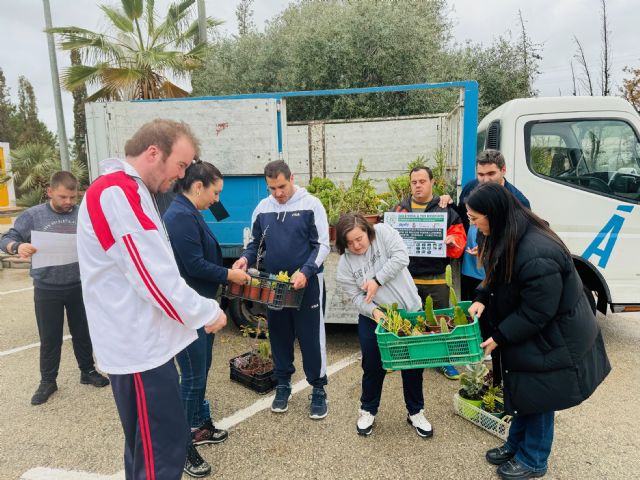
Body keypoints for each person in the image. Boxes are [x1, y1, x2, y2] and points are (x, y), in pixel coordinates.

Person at [76, 119, 228, 480]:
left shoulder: (130, 190)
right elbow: (152, 277)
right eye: (181, 164)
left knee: (152, 449)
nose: (183, 175)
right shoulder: (117, 192)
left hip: (144, 346)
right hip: (138, 349)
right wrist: (206, 311)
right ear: (153, 152)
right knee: (158, 456)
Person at [466, 182, 610, 480]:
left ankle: (534, 459)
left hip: (555, 336)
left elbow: (537, 311)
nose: (473, 224)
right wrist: (481, 297)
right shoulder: (506, 232)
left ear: (493, 214)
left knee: (541, 396)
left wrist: (500, 336)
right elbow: (497, 274)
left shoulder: (537, 252)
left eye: (475, 218)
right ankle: (516, 445)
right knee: (524, 391)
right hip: (534, 330)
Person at [163, 160, 250, 477]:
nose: (217, 200)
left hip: (201, 308)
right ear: (198, 186)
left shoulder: (190, 212)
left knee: (200, 371)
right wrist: (229, 274)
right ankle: (182, 446)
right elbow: (194, 265)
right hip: (189, 312)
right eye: (216, 192)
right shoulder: (179, 216)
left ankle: (199, 424)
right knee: (192, 377)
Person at [232, 160, 330, 419]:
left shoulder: (312, 205)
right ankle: (283, 384)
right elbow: (255, 245)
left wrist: (306, 271)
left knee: (311, 337)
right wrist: (245, 259)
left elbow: (322, 245)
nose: (278, 193)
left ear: (292, 178)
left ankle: (318, 388)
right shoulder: (263, 209)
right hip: (275, 285)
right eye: (272, 188)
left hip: (307, 284)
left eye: (282, 186)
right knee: (279, 335)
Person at [0, 171, 109, 405]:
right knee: (50, 337)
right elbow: (6, 238)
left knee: (82, 332)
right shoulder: (33, 215)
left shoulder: (83, 214)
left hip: (79, 284)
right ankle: (48, 381)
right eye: (62, 197)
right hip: (47, 287)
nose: (68, 202)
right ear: (50, 192)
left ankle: (88, 371)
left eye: (73, 197)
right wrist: (17, 246)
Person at [335, 213, 433, 438]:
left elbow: (401, 257)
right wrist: (375, 312)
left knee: (412, 363)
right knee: (372, 364)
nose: (356, 246)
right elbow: (356, 298)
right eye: (349, 242)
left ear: (367, 231)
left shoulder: (383, 233)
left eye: (359, 239)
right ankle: (368, 409)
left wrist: (377, 280)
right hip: (374, 317)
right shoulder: (344, 266)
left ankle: (416, 411)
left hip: (409, 311)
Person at [392, 165, 466, 380]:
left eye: (422, 181)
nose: (418, 186)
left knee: (441, 320)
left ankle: (444, 360)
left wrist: (452, 242)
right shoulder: (399, 210)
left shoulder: (446, 210)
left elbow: (459, 241)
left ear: (432, 182)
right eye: (414, 182)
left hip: (437, 278)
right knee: (406, 320)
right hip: (406, 278)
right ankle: (404, 356)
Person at [452, 149, 531, 301]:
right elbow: (461, 218)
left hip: (499, 270)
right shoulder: (469, 188)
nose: (485, 180)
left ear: (503, 170)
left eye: (491, 174)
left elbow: (519, 240)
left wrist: (490, 248)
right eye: (481, 174)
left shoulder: (518, 200)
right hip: (470, 267)